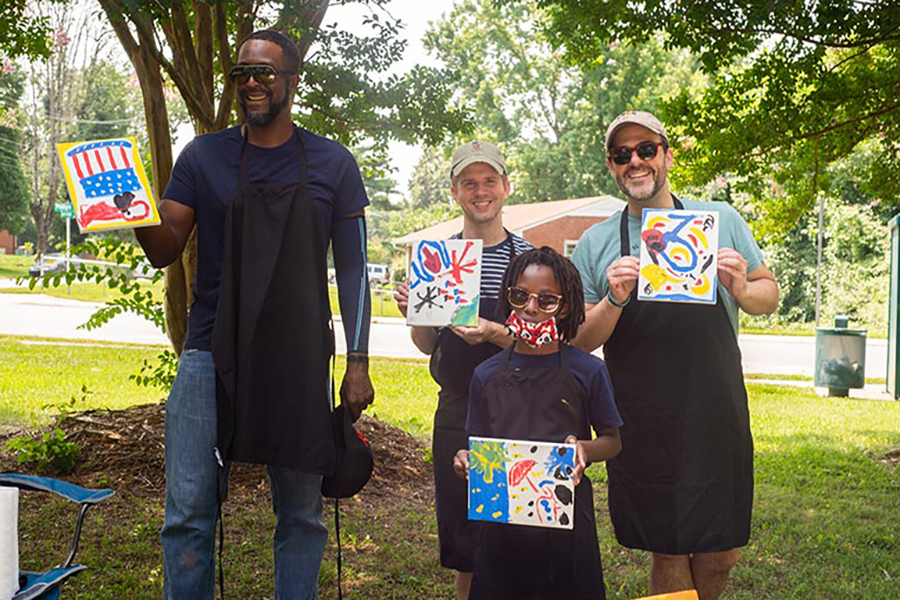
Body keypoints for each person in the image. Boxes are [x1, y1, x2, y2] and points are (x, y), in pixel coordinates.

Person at [134, 29, 375, 599]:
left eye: (266, 72)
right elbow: (165, 247)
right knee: (188, 512)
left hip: (296, 358)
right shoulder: (204, 156)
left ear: (293, 80)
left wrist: (359, 361)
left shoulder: (332, 163)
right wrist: (131, 205)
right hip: (208, 353)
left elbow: (356, 270)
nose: (252, 83)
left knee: (301, 514)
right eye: (242, 73)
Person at [571, 110, 779, 599]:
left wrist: (743, 288)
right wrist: (615, 298)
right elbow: (579, 340)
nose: (636, 162)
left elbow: (769, 295)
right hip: (642, 415)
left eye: (646, 149)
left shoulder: (720, 219)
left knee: (721, 550)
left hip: (714, 409)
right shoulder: (596, 243)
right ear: (611, 166)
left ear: (666, 155)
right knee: (667, 547)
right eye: (623, 155)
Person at [393, 141, 531, 599]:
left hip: (519, 410)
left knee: (515, 531)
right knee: (467, 540)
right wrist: (417, 314)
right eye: (469, 183)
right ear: (455, 192)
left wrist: (493, 332)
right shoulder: (437, 261)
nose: (480, 191)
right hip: (457, 410)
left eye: (489, 180)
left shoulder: (531, 262)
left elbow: (543, 345)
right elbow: (426, 345)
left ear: (506, 187)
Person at [452, 246, 622, 599]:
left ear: (565, 307)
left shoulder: (588, 371)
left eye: (546, 300)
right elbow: (476, 445)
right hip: (500, 526)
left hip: (566, 523)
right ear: (508, 296)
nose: (530, 308)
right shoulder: (485, 373)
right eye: (520, 296)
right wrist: (465, 460)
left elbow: (613, 440)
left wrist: (584, 450)